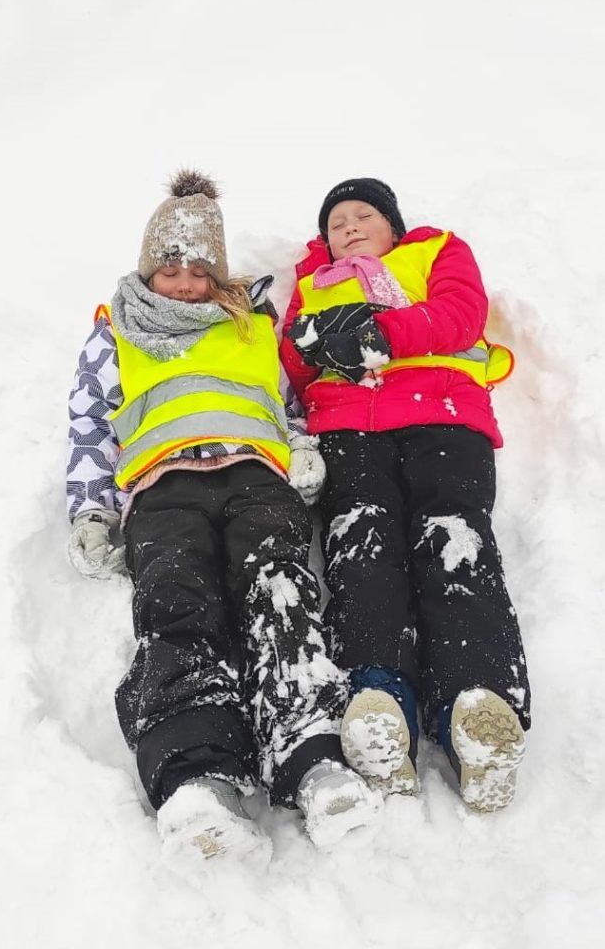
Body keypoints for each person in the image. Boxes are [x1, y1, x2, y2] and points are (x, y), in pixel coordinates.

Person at [66, 170, 382, 861]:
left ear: (217, 274)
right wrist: (89, 510)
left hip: (254, 475)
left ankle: (313, 758)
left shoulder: (250, 327)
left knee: (280, 589)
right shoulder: (117, 332)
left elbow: (284, 404)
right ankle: (197, 776)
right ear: (147, 268)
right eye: (169, 268)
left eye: (199, 270)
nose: (184, 283)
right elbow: (90, 425)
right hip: (163, 486)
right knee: (175, 600)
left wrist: (301, 449)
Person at [280, 177, 531, 813]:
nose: (349, 226)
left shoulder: (437, 250)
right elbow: (293, 365)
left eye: (363, 214)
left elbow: (460, 314)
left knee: (453, 539)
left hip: (441, 414)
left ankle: (478, 699)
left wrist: (380, 335)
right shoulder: (312, 284)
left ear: (392, 225)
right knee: (361, 547)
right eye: (336, 223)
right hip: (347, 427)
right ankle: (378, 695)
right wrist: (312, 342)